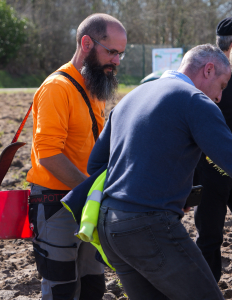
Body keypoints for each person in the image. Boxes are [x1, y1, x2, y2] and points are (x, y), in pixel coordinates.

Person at [87, 44, 232, 300]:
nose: (220, 97)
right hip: (149, 225)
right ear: (209, 70)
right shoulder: (195, 100)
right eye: (222, 86)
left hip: (110, 227)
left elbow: (96, 165)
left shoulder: (133, 96)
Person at [26, 13, 127, 300]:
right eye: (111, 52)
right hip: (56, 205)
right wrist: (90, 192)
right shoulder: (57, 88)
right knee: (61, 289)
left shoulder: (94, 88)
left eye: (121, 53)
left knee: (93, 287)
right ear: (86, 43)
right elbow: (48, 155)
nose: (117, 61)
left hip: (87, 202)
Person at [193, 18, 232, 283]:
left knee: (208, 237)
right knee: (208, 237)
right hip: (211, 169)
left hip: (211, 168)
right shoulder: (208, 75)